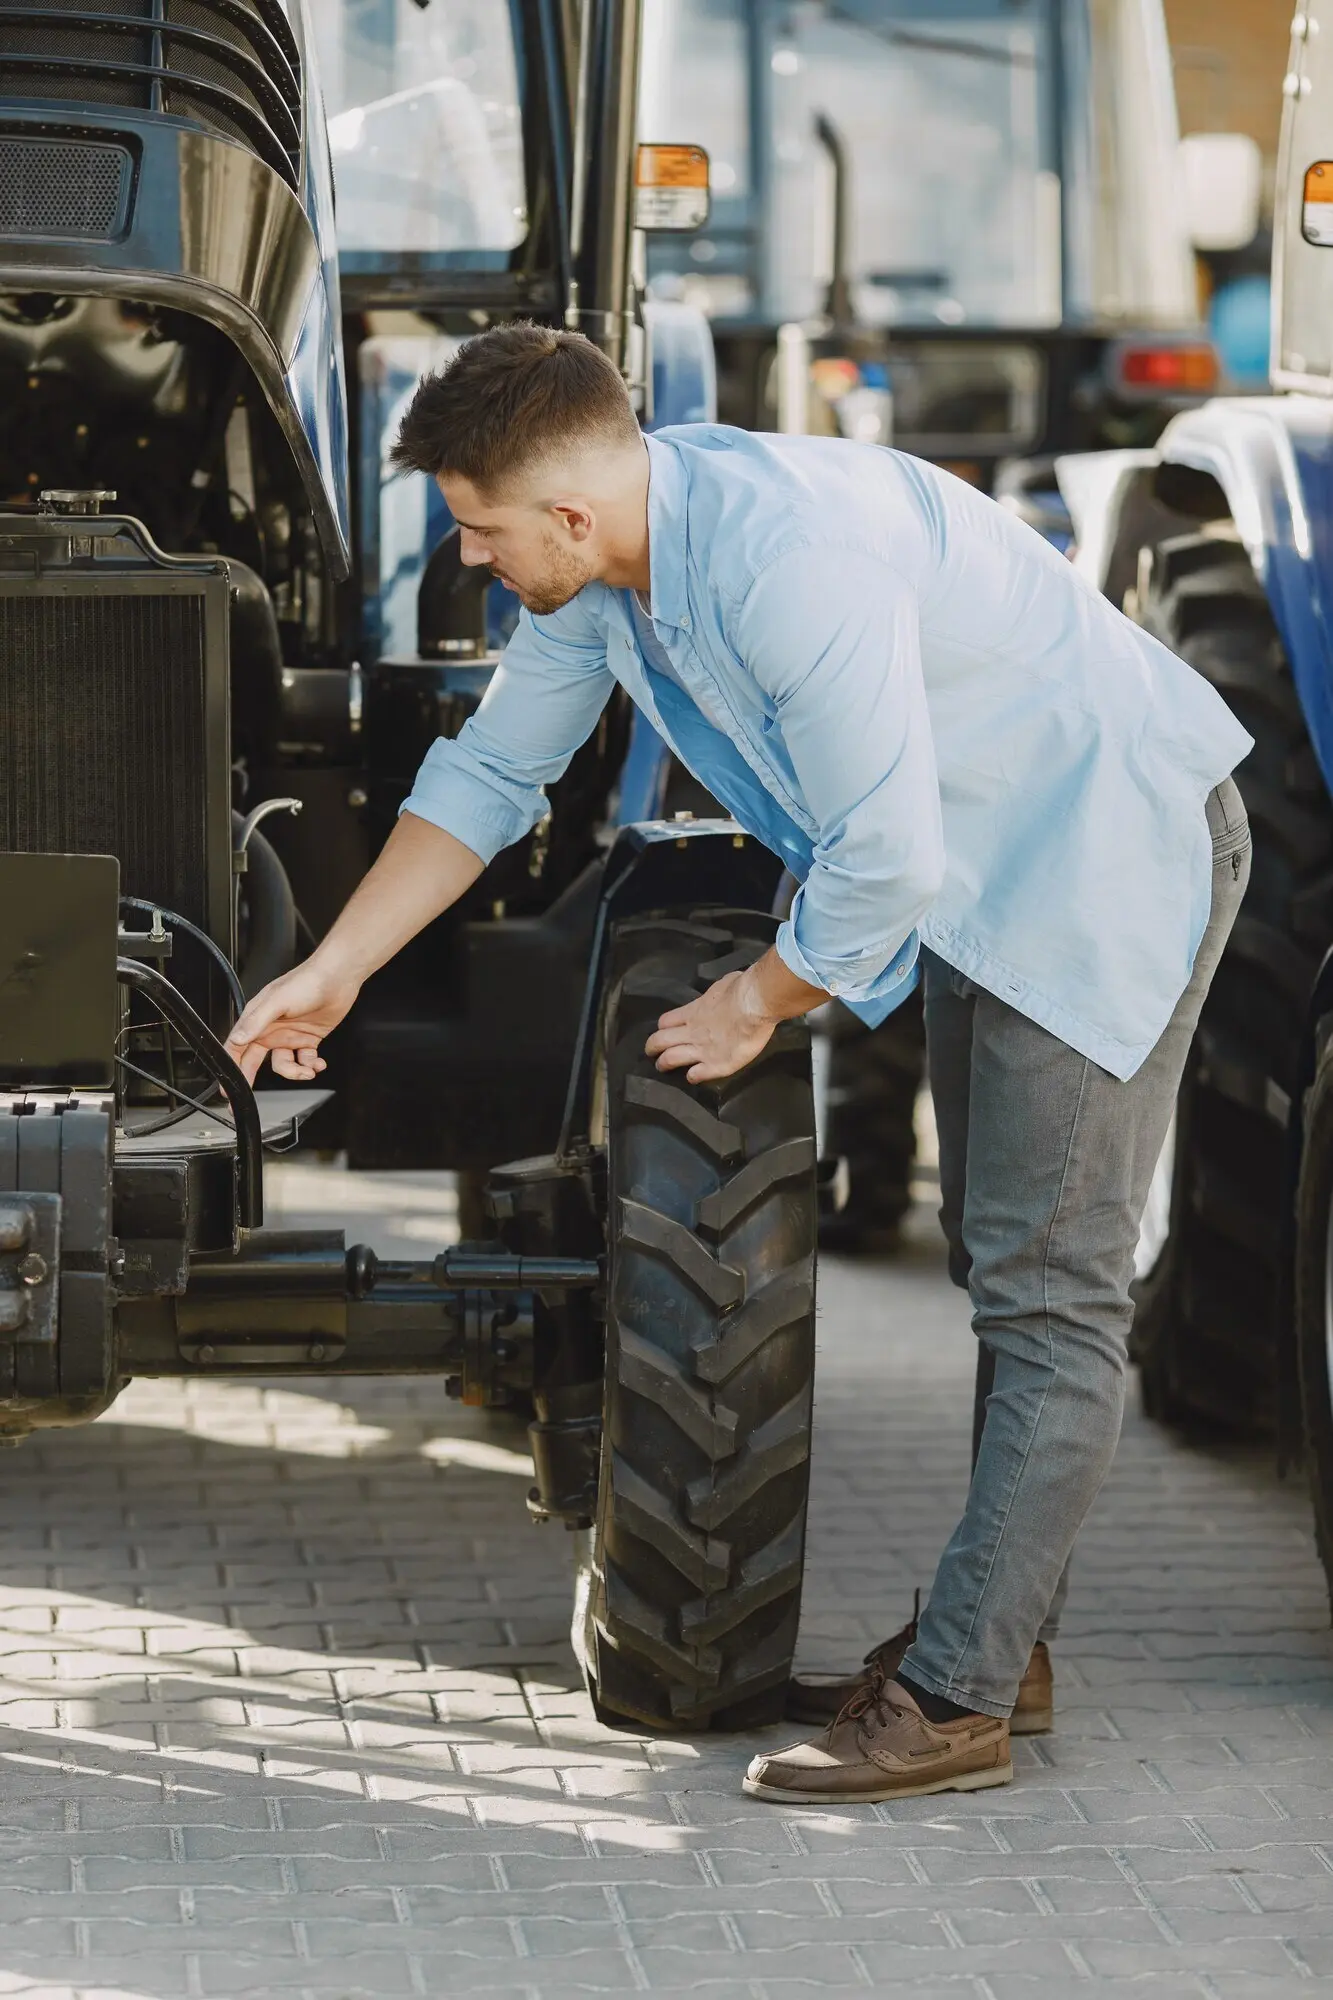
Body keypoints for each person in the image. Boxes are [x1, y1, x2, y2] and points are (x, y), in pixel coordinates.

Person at [224, 324, 1252, 1806]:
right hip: (982, 870)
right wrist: (336, 965)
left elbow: (883, 855)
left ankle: (958, 1697)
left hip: (1103, 845)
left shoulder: (780, 565)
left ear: (567, 515)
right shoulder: (617, 566)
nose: (473, 563)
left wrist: (759, 1002)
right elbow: (493, 772)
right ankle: (1000, 1638)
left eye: (480, 532)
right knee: (1002, 1265)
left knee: (1049, 1293)